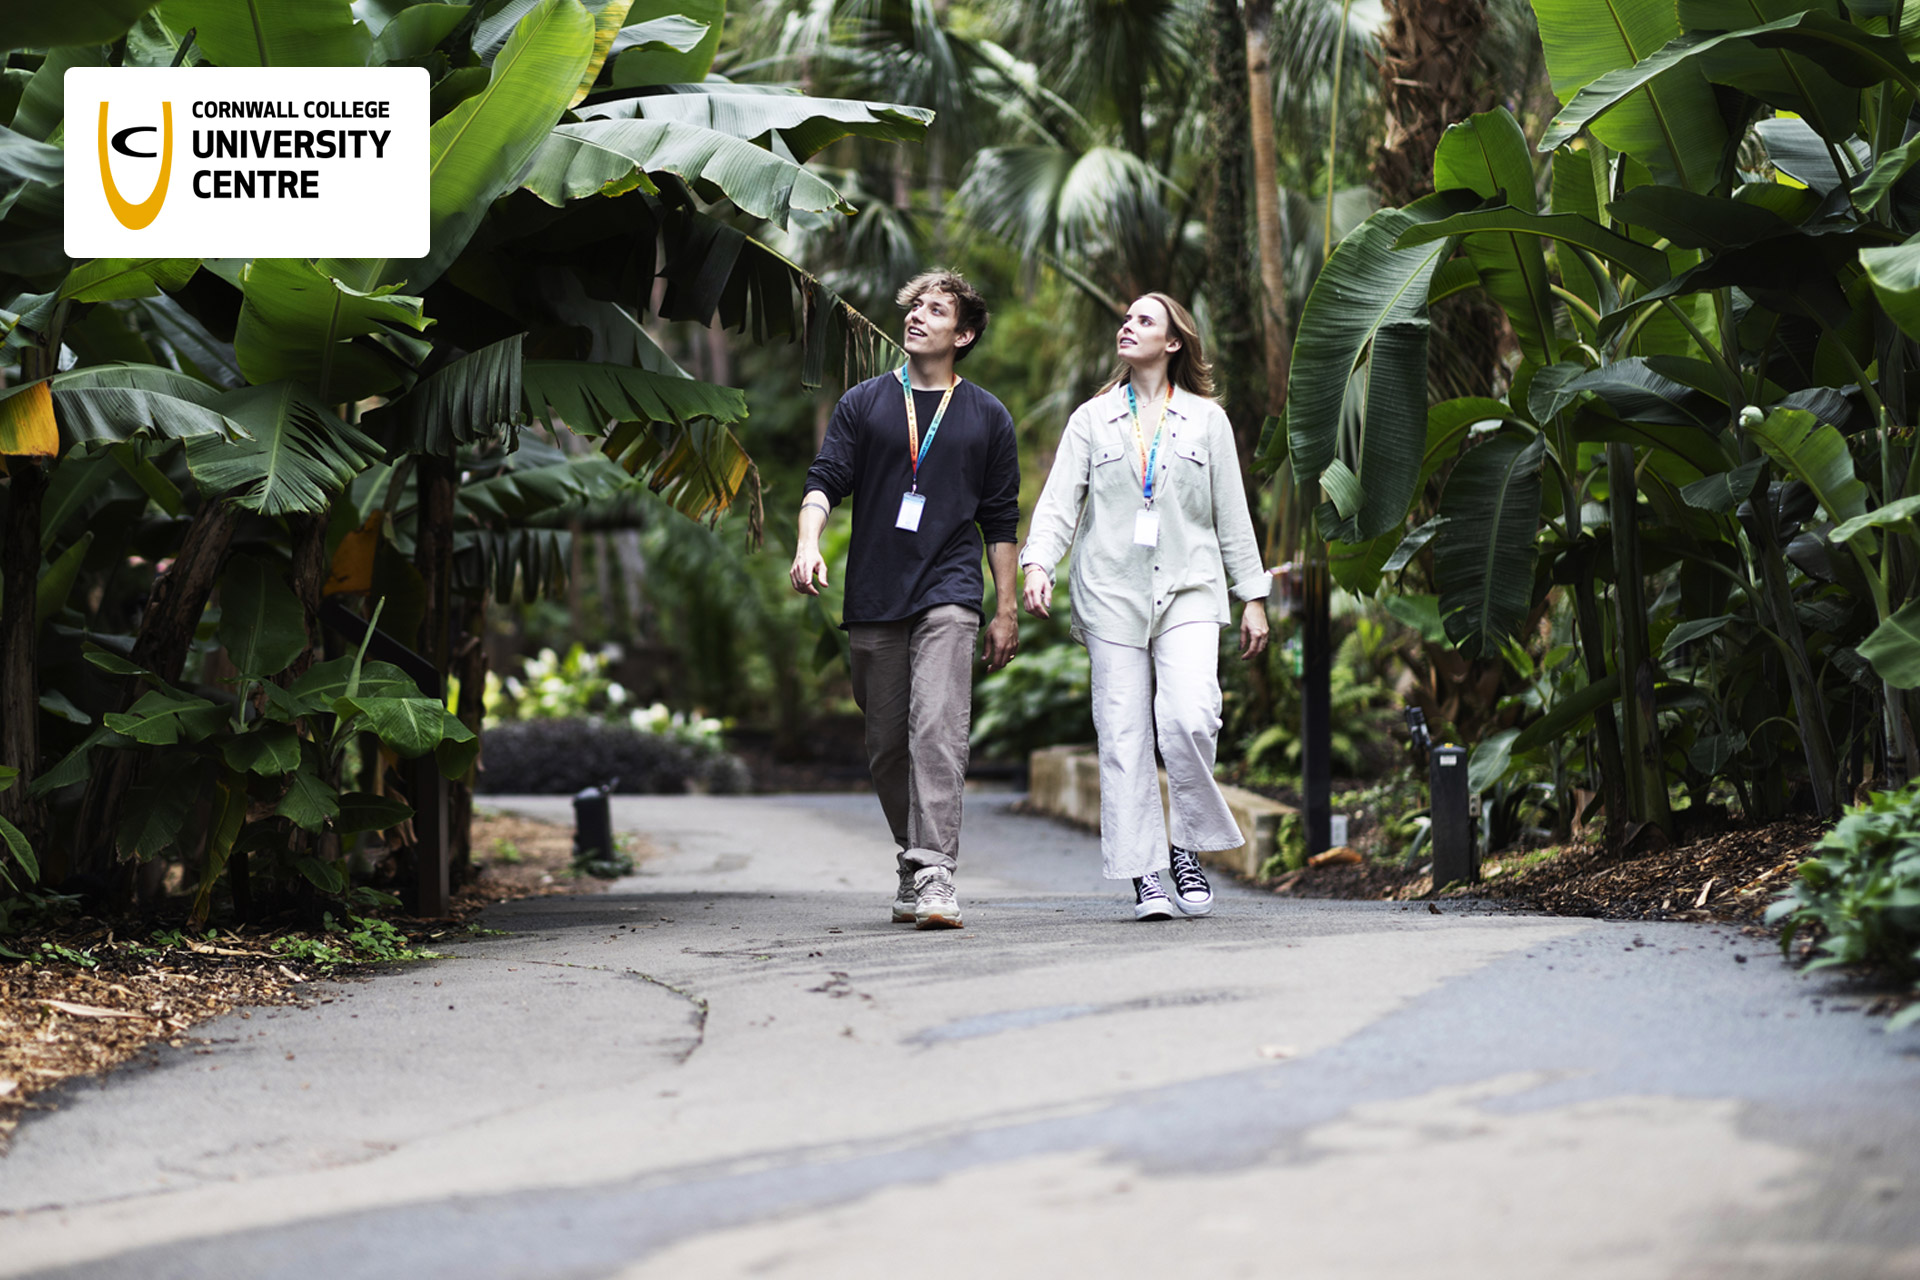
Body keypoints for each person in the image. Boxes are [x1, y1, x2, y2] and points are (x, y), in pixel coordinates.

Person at [1019, 293, 1270, 921]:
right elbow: (1058, 503)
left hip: (1189, 586)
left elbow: (1232, 515)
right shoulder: (1093, 419)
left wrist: (1254, 598)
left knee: (1190, 716)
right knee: (1124, 733)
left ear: (1175, 342)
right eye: (1126, 319)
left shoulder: (1208, 421)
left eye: (1143, 320)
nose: (1127, 327)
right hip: (1111, 593)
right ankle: (1145, 873)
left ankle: (1185, 844)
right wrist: (1037, 562)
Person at [791, 270, 1021, 930]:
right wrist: (809, 544)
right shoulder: (865, 403)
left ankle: (938, 872)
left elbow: (1000, 522)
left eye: (936, 308)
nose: (918, 315)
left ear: (965, 332)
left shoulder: (987, 416)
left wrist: (1004, 609)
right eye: (915, 305)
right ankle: (914, 860)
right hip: (873, 591)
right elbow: (823, 481)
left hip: (950, 588)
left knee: (937, 730)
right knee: (887, 745)